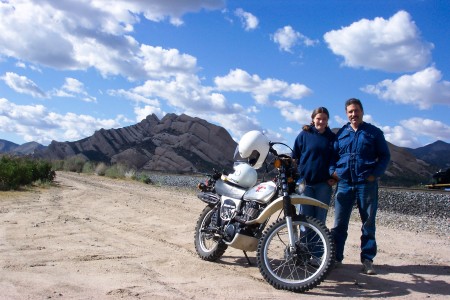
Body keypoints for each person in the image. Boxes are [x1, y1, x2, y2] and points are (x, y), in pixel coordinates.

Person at [329, 98, 390, 275]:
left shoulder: (374, 133)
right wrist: (333, 171)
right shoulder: (341, 133)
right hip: (345, 183)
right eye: (350, 112)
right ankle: (336, 258)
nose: (353, 114)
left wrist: (375, 174)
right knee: (339, 223)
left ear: (362, 111)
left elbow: (384, 156)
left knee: (368, 223)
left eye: (356, 111)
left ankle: (367, 260)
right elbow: (332, 156)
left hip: (366, 183)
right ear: (346, 114)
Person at [292, 107, 336, 267]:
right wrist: (296, 176)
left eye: (324, 119)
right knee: (304, 220)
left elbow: (334, 160)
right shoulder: (304, 135)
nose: (321, 121)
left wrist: (333, 177)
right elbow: (294, 156)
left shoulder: (332, 138)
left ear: (327, 120)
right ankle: (302, 254)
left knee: (319, 221)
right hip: (305, 185)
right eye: (319, 118)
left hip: (323, 185)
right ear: (313, 119)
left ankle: (317, 256)